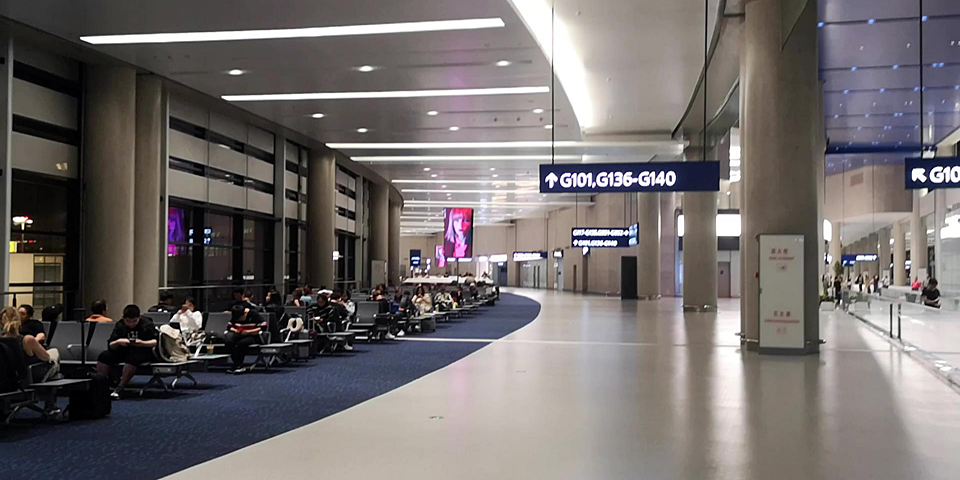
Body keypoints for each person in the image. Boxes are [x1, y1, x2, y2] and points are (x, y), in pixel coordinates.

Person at [95, 305, 158, 399]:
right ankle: (100, 385)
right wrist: (118, 341)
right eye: (128, 321)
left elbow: (155, 342)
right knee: (104, 356)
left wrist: (141, 343)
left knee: (133, 359)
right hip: (123, 350)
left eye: (134, 321)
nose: (131, 324)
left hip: (142, 351)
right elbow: (111, 344)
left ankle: (120, 387)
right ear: (123, 318)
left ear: (139, 318)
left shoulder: (147, 324)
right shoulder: (120, 325)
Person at [224, 303, 266, 374]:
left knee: (242, 343)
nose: (239, 319)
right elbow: (229, 326)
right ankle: (237, 364)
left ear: (245, 313)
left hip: (252, 335)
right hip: (240, 334)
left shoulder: (253, 314)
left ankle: (239, 365)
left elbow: (263, 326)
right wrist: (235, 330)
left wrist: (249, 332)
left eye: (240, 318)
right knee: (229, 342)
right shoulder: (236, 314)